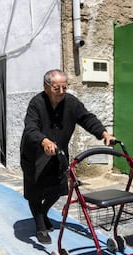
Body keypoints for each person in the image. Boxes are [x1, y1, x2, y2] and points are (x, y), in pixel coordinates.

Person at [20, 69, 115, 244]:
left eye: (65, 87)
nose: (62, 92)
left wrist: (103, 133)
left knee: (59, 188)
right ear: (46, 87)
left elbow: (87, 118)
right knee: (35, 192)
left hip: (58, 153)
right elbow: (30, 128)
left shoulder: (71, 102)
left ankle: (42, 213)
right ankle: (40, 226)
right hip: (35, 153)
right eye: (57, 88)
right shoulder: (36, 103)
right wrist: (44, 141)